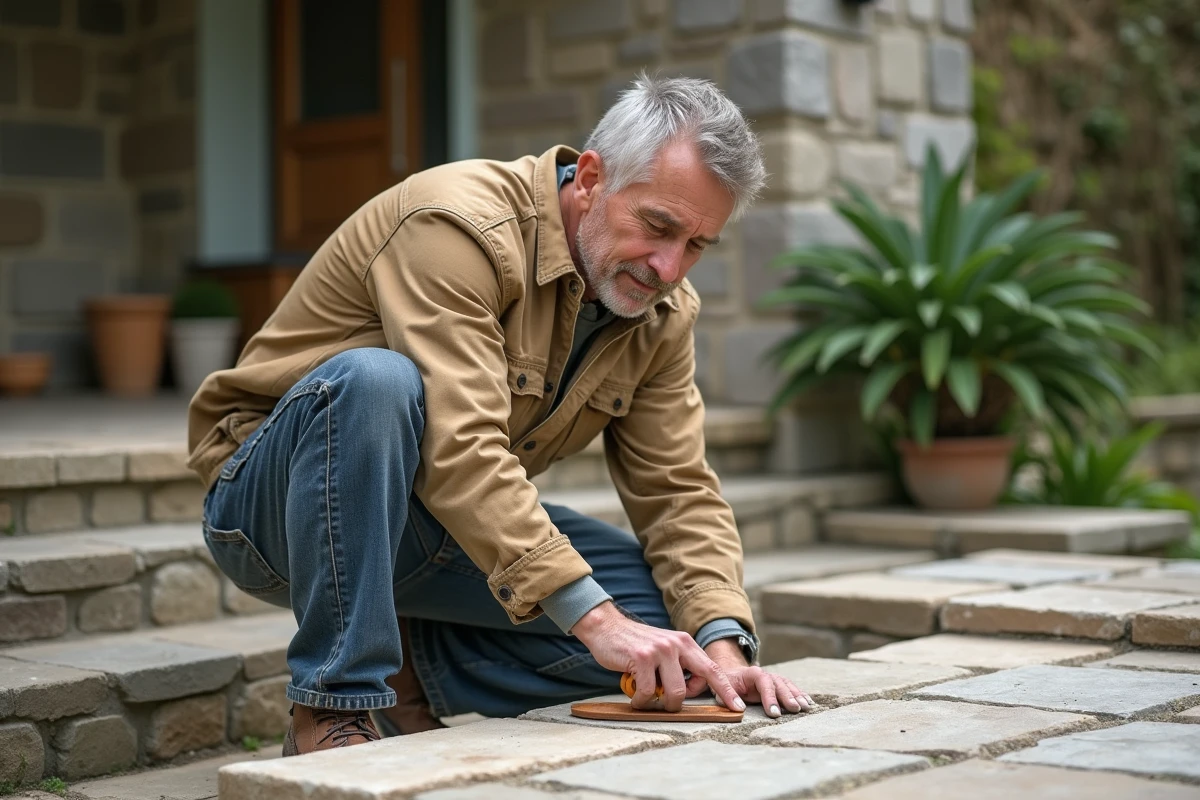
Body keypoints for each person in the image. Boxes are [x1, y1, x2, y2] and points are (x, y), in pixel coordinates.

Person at [186, 73, 814, 757]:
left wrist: (724, 651)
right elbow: (463, 448)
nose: (669, 267)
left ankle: (408, 679)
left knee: (672, 641)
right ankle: (333, 706)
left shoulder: (661, 313)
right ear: (592, 178)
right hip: (273, 510)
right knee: (375, 383)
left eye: (696, 245)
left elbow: (678, 488)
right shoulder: (457, 226)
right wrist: (595, 621)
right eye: (657, 227)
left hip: (433, 526)